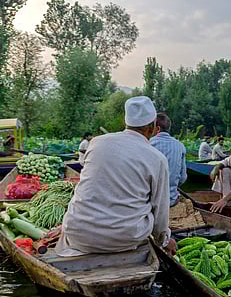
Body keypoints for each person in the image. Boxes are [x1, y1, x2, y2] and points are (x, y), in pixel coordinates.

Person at [55, 96, 175, 257]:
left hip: (79, 234)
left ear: (126, 123)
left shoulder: (96, 143)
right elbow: (160, 210)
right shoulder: (157, 158)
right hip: (125, 239)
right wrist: (165, 240)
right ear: (152, 127)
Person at [150, 113, 187, 206]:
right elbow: (183, 178)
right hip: (171, 199)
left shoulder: (148, 144)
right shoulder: (180, 145)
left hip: (149, 201)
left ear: (157, 128)